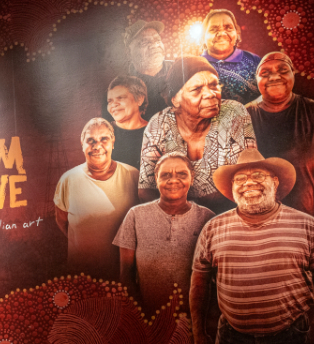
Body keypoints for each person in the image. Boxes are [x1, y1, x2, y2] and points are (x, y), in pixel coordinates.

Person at [190, 149, 314, 344]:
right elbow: (199, 284)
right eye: (240, 179)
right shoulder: (213, 228)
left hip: (290, 339)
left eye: (258, 175)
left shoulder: (308, 226)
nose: (248, 183)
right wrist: (199, 335)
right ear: (232, 188)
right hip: (231, 340)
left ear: (275, 181)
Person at [140, 55, 257, 214]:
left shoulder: (233, 113)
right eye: (197, 89)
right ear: (175, 99)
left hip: (230, 211)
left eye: (214, 85)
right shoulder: (159, 123)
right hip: (175, 214)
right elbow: (146, 189)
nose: (210, 94)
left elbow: (247, 174)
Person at [246, 51, 314, 226]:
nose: (274, 77)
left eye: (282, 70)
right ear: (256, 80)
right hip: (262, 218)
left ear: (293, 74)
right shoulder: (245, 115)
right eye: (265, 73)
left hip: (312, 214)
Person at [113, 152, 214, 315]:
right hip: (150, 315)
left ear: (192, 178)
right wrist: (139, 313)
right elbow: (126, 274)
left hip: (195, 318)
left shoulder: (207, 218)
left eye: (181, 174)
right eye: (166, 175)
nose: (173, 180)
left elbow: (214, 276)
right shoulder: (135, 215)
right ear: (156, 178)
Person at [54, 118, 139, 280]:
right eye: (90, 140)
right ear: (82, 144)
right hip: (81, 277)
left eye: (104, 139)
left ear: (113, 142)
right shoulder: (68, 180)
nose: (97, 146)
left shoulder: (133, 176)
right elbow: (62, 221)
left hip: (123, 276)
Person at [201, 9, 261, 104]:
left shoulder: (254, 61)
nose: (222, 34)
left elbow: (268, 94)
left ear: (237, 33)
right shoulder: (194, 65)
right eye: (213, 29)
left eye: (228, 28)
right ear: (203, 36)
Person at [123, 20, 172, 121]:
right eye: (144, 42)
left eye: (158, 40)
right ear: (128, 53)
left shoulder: (180, 70)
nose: (154, 45)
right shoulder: (123, 88)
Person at [106, 75, 149, 169]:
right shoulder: (104, 132)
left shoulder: (156, 132)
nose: (114, 104)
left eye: (120, 98)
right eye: (110, 101)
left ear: (140, 99)